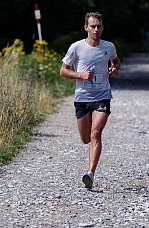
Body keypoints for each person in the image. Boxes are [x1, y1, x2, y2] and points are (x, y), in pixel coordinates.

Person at [59, 12, 121, 189]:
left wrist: (114, 68)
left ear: (103, 28)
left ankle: (90, 174)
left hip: (102, 95)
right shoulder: (76, 48)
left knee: (96, 134)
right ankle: (90, 168)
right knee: (86, 138)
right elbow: (63, 71)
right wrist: (80, 75)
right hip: (82, 98)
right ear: (86, 27)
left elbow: (116, 62)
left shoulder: (109, 47)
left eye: (99, 26)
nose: (96, 30)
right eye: (92, 26)